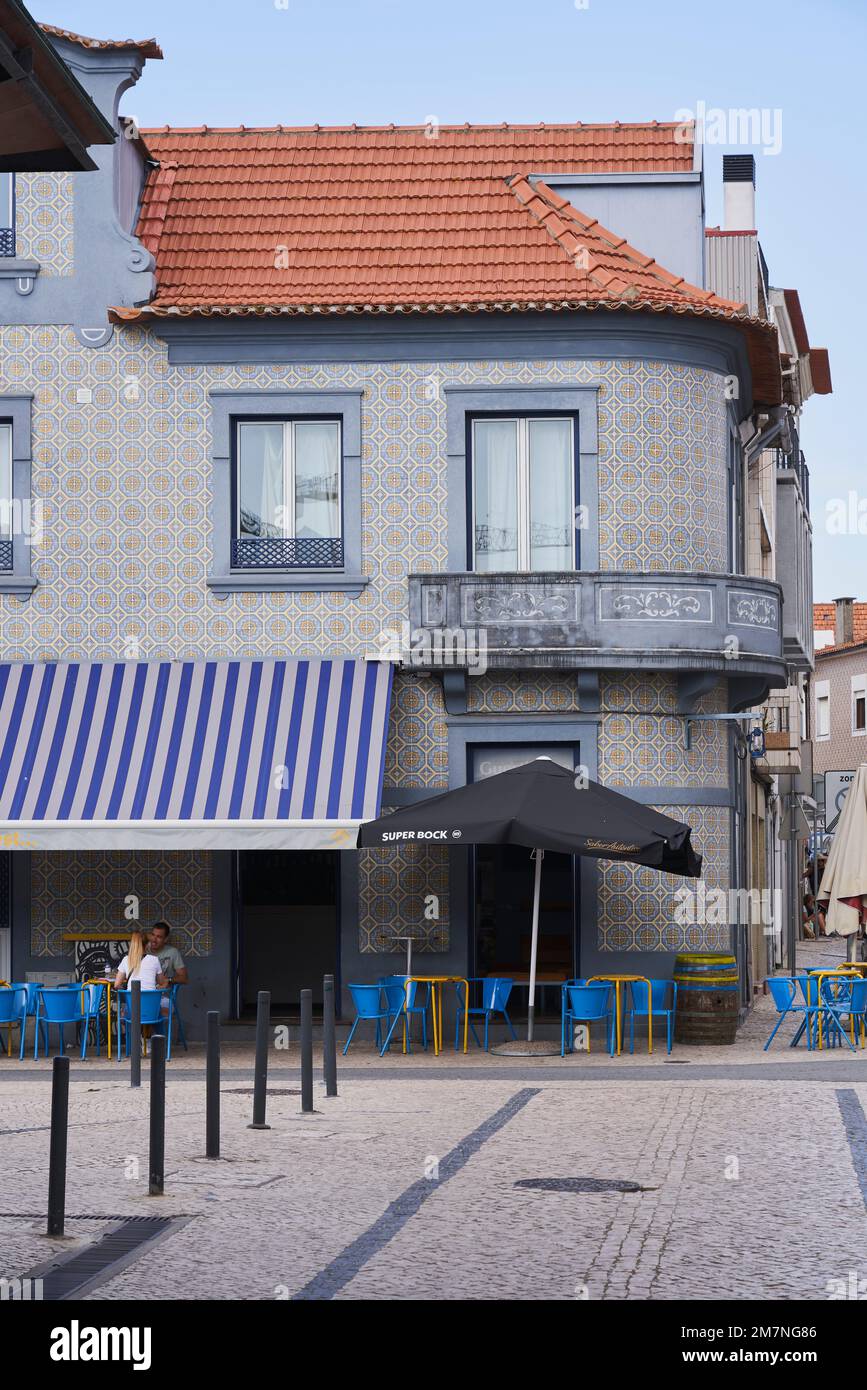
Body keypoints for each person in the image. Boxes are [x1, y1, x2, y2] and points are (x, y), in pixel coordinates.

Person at [147, 922, 188, 986]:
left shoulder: (172, 952)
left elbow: (184, 978)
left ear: (165, 939)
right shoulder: (143, 950)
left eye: (159, 937)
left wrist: (169, 980)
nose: (154, 940)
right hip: (144, 992)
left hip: (163, 993)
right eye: (153, 935)